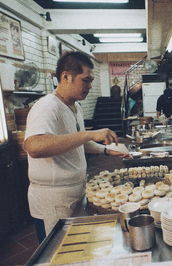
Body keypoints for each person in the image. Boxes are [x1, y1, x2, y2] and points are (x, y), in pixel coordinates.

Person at [23, 51, 129, 242]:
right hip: (53, 200)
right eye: (86, 80)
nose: (89, 86)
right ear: (66, 76)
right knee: (58, 254)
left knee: (77, 250)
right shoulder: (47, 107)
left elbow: (75, 142)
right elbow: (35, 146)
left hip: (75, 193)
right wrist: (88, 133)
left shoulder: (75, 107)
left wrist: (104, 149)